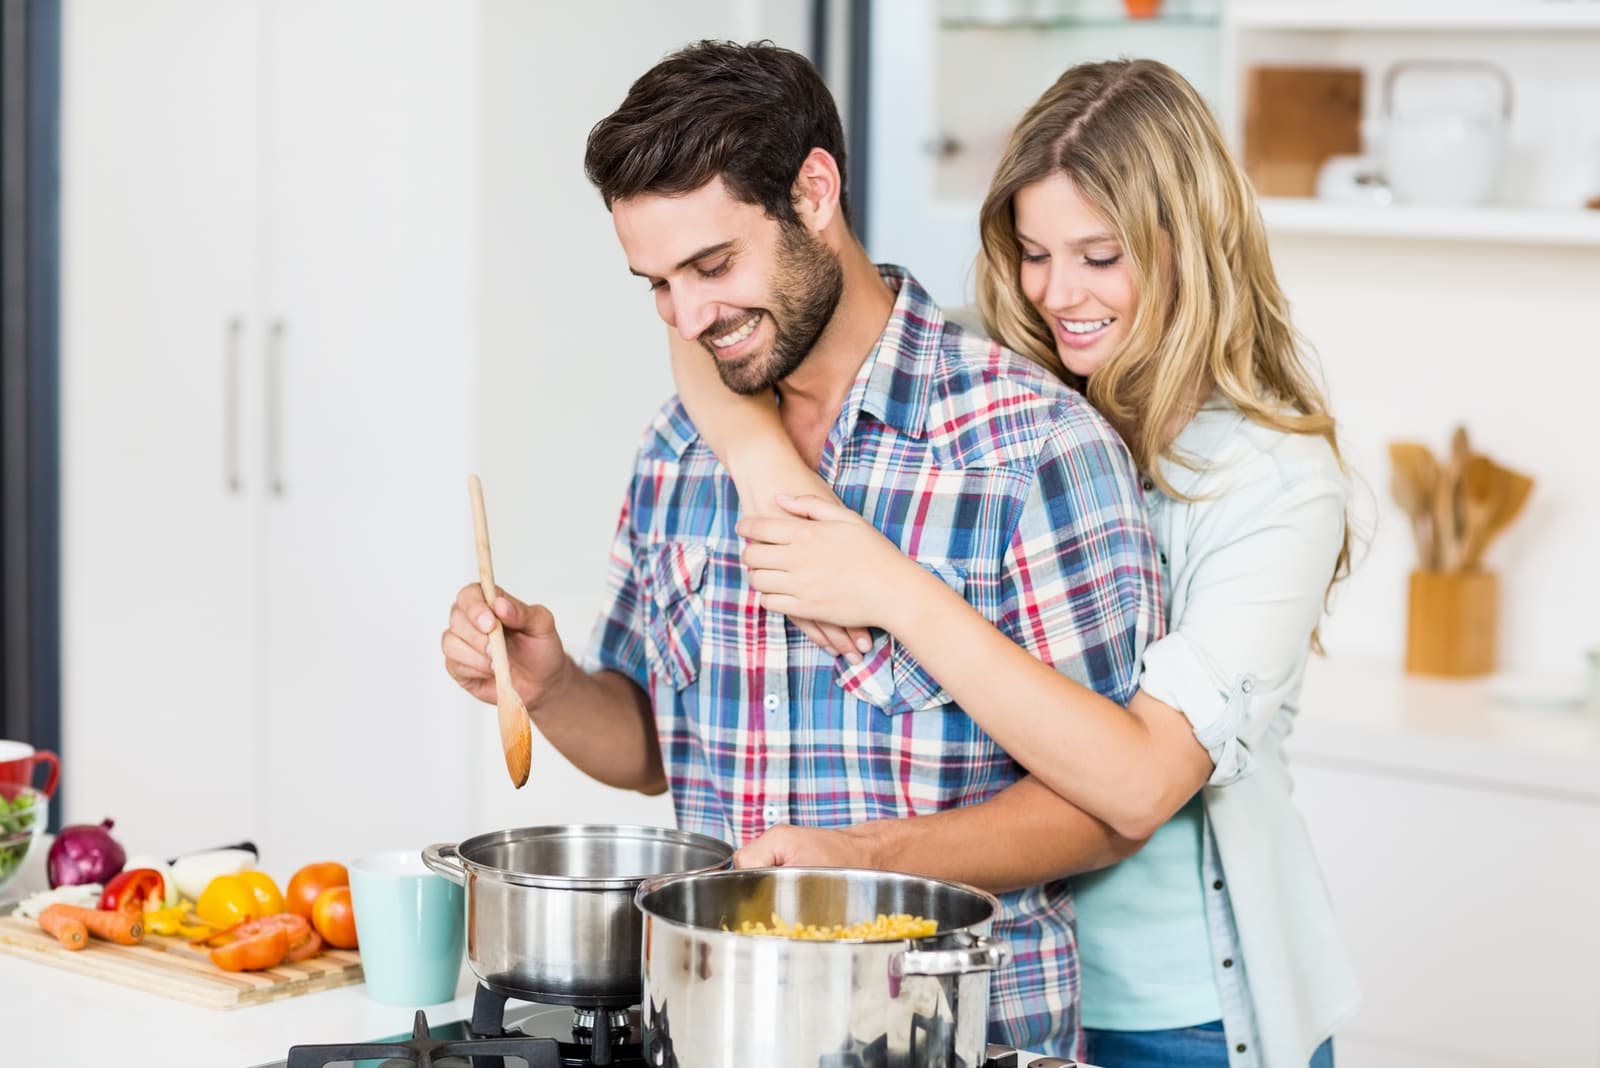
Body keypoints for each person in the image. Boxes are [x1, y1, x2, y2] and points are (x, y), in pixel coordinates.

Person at [440, 41, 1163, 1057]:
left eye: (712, 264)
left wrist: (852, 864)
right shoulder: (680, 447)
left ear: (813, 191)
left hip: (958, 1035)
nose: (689, 318)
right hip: (712, 1031)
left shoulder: (1029, 448)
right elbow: (655, 751)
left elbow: (1105, 810)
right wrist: (552, 685)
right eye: (655, 284)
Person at [665, 58, 1359, 1068]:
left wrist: (888, 587)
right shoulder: (1011, 388)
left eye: (1098, 255)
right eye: (1033, 253)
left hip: (1180, 1012)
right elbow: (700, 334)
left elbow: (1136, 785)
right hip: (1002, 984)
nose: (1058, 292)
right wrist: (768, 470)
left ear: (1191, 251)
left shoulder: (1277, 484)